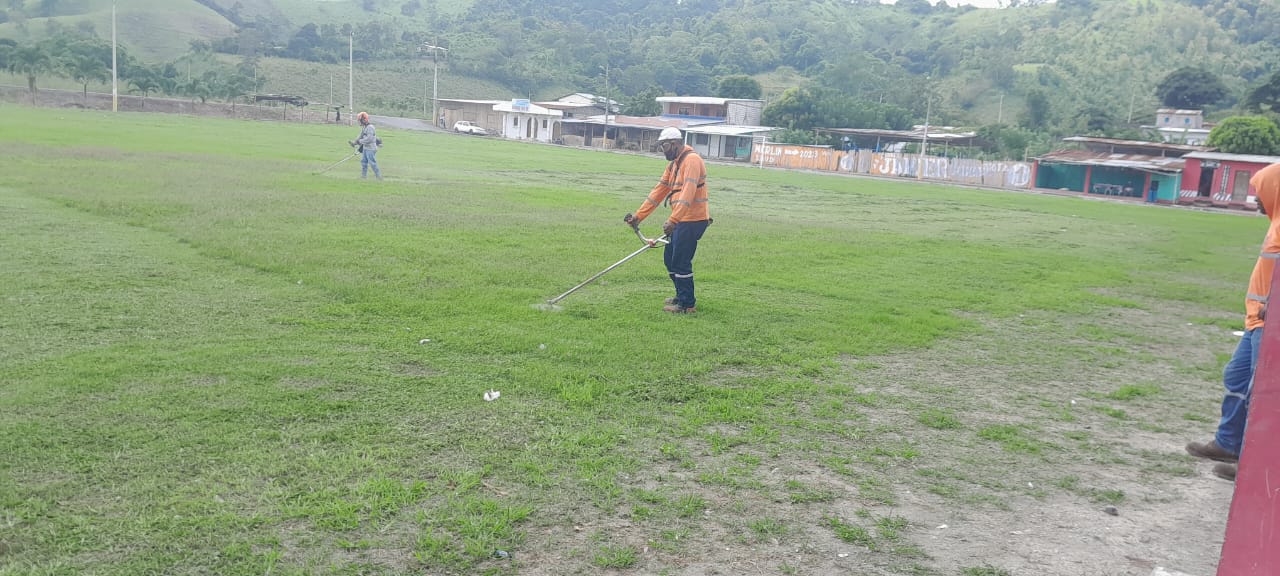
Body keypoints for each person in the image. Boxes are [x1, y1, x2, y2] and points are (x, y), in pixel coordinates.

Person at [1186, 162, 1280, 481]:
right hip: (1256, 320)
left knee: (1260, 394)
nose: (1256, 198)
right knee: (1237, 378)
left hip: (1271, 324)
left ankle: (1254, 465)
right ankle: (1228, 444)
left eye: (1260, 191)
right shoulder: (1276, 222)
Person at [623, 127, 710, 314]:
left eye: (664, 146)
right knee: (670, 259)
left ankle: (687, 305)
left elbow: (688, 193)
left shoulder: (692, 161)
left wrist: (673, 220)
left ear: (675, 143)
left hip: (692, 219)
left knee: (680, 261)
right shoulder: (674, 165)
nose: (663, 150)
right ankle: (681, 295)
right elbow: (658, 191)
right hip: (681, 219)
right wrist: (639, 216)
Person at [349, 111, 382, 180]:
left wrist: (360, 141)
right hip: (365, 148)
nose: (359, 122)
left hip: (371, 149)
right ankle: (363, 177)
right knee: (363, 162)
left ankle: (379, 177)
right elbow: (360, 136)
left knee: (372, 163)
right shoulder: (364, 127)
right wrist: (355, 142)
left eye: (360, 120)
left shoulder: (370, 127)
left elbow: (369, 139)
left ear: (364, 119)